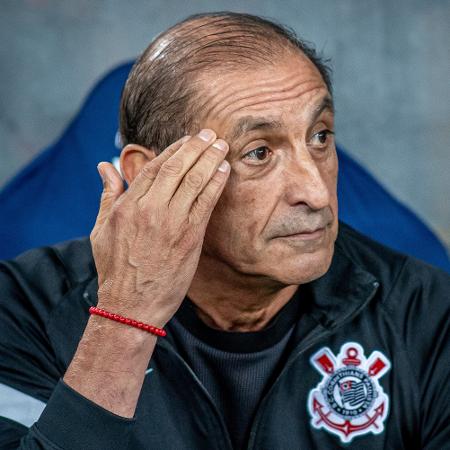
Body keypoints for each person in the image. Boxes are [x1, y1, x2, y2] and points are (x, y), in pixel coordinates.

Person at [0, 11, 449, 450]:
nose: (316, 193)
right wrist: (125, 319)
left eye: (320, 137)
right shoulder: (21, 309)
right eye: (258, 153)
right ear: (150, 174)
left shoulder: (428, 314)